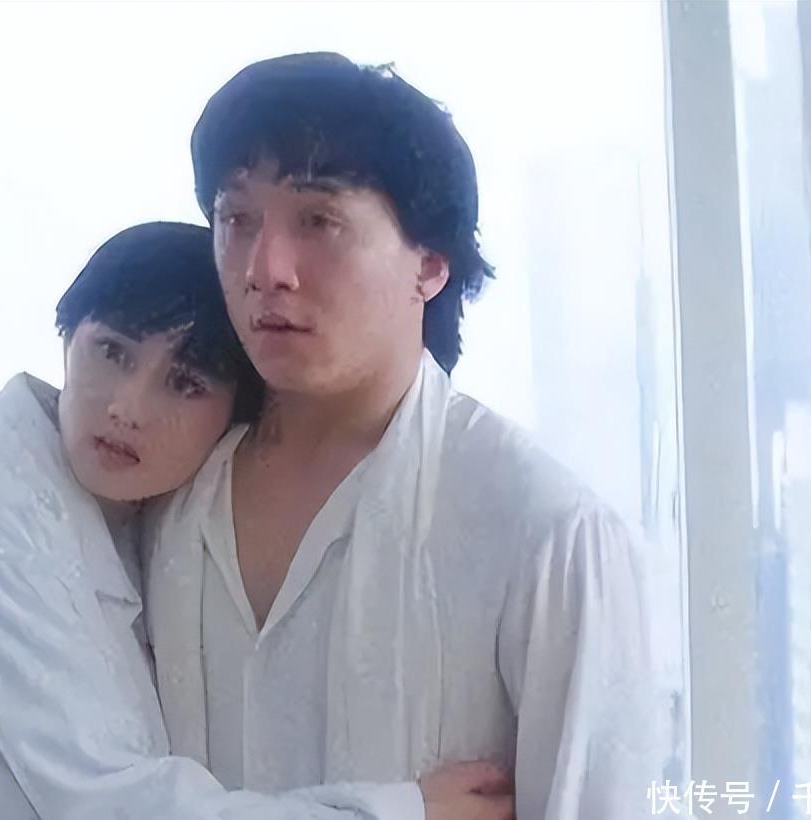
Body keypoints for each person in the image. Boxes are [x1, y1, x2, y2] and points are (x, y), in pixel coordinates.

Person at [0, 221, 506, 820]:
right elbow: (119, 807)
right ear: (66, 339)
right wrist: (403, 811)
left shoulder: (129, 519)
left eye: (186, 384)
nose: (127, 407)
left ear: (237, 421)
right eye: (112, 352)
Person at [145, 53, 669, 819]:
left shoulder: (547, 532)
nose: (265, 268)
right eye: (236, 220)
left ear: (429, 265)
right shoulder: (166, 494)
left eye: (318, 220)